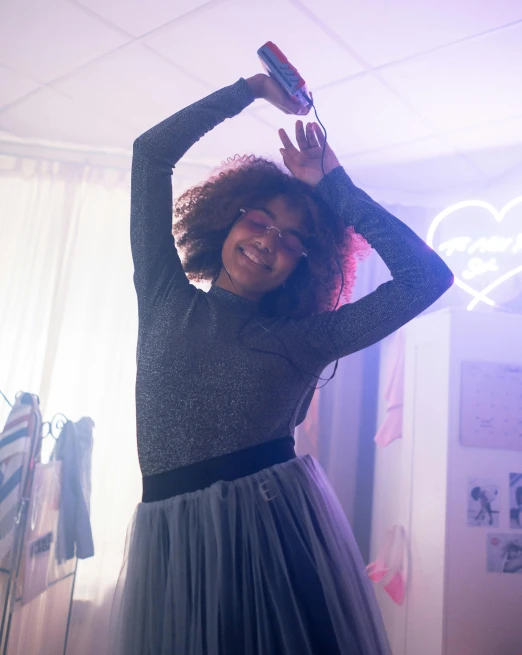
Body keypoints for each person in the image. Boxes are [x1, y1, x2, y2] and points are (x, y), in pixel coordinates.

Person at [112, 73, 454, 654]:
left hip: (271, 535)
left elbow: (429, 278)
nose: (270, 242)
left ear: (306, 264)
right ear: (227, 219)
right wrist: (249, 90)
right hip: (171, 539)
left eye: (294, 240)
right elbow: (151, 155)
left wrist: (334, 187)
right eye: (260, 221)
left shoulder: (305, 340)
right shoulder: (164, 295)